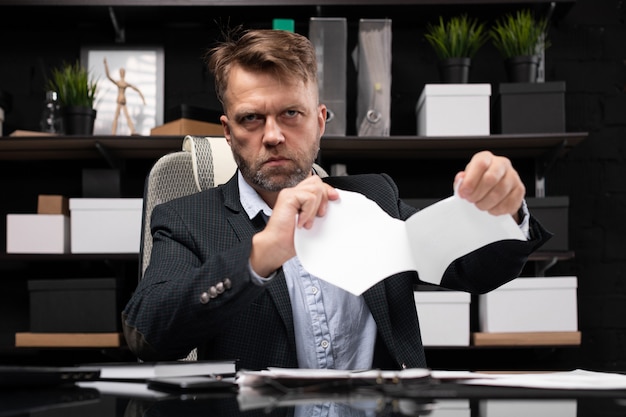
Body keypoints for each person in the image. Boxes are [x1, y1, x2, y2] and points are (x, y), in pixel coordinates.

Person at [122, 29, 551, 371]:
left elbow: (475, 270)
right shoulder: (187, 219)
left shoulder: (374, 198)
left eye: (291, 113)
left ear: (321, 121)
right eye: (251, 118)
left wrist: (504, 210)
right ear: (228, 132)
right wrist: (261, 254)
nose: (272, 135)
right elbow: (147, 332)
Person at [103, 57, 146, 135]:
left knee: (127, 116)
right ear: (120, 73)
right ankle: (113, 133)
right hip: (119, 100)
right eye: (121, 72)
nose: (122, 73)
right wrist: (106, 64)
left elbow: (136, 89)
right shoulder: (119, 82)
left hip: (123, 101)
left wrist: (142, 98)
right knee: (116, 117)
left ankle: (132, 131)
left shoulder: (125, 83)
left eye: (123, 72)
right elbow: (108, 76)